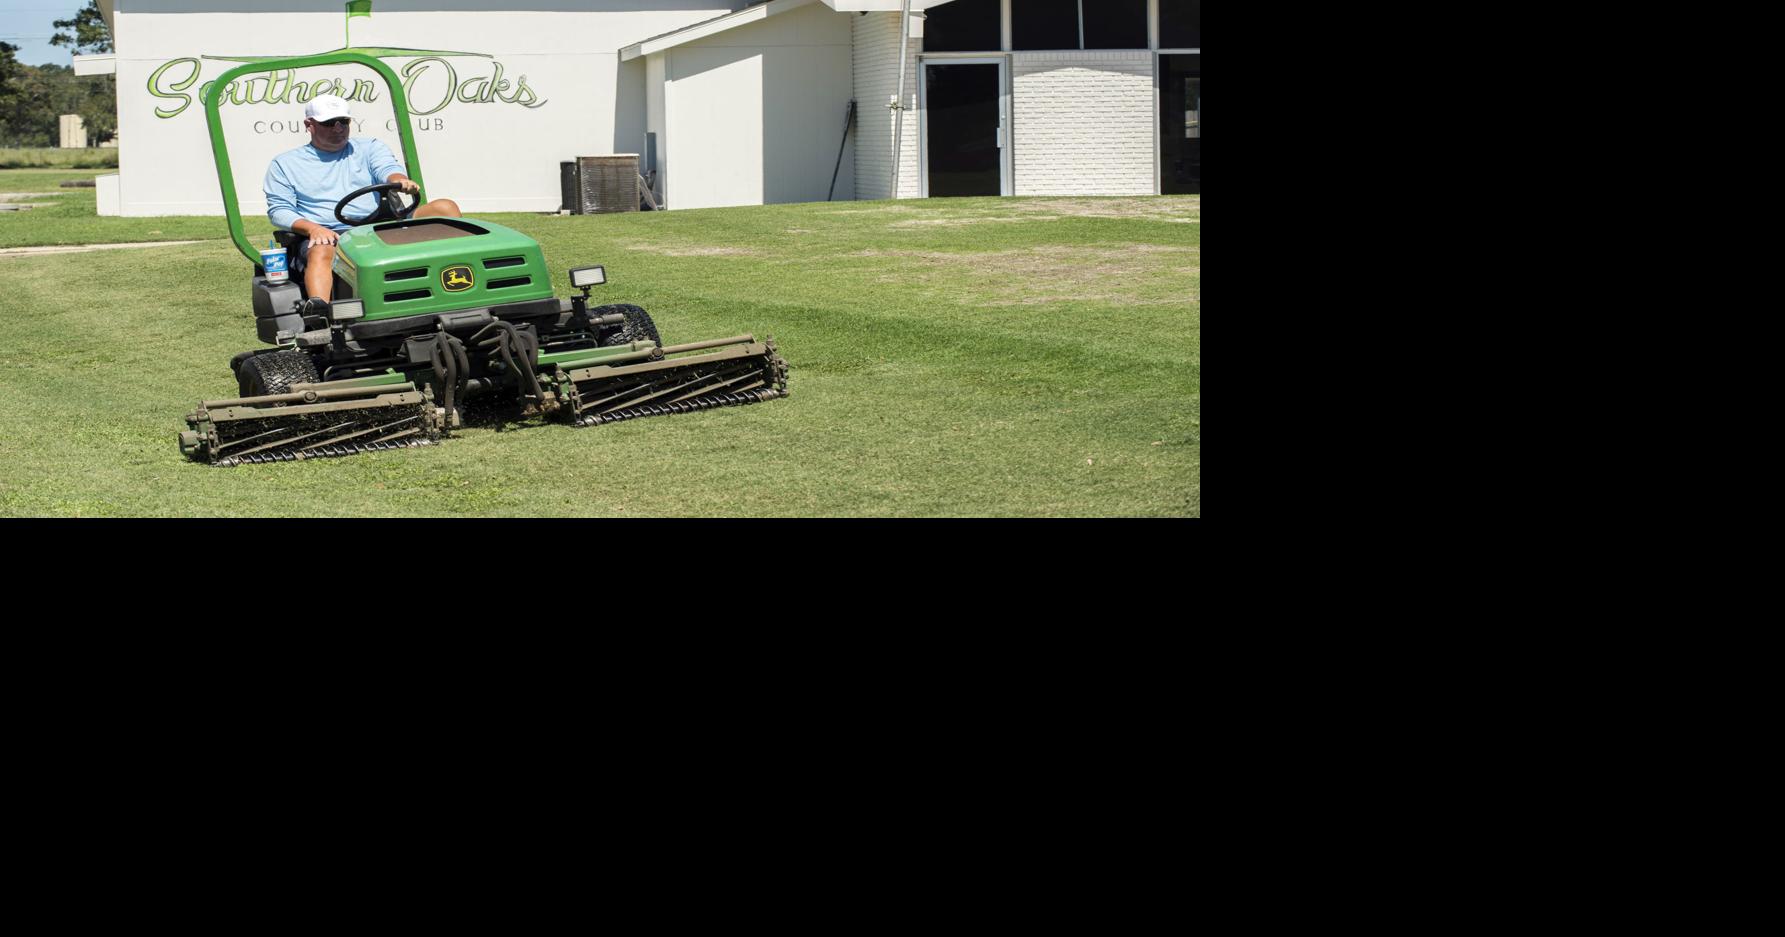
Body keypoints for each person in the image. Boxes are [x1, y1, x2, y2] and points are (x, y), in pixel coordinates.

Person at [263, 94, 461, 313]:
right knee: (321, 249)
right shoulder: (285, 163)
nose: (338, 128)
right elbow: (279, 210)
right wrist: (313, 228)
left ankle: (459, 284)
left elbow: (386, 168)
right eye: (329, 123)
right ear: (309, 125)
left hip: (384, 225)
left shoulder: (369, 147)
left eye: (343, 122)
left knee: (445, 208)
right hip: (333, 233)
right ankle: (322, 315)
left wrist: (398, 180)